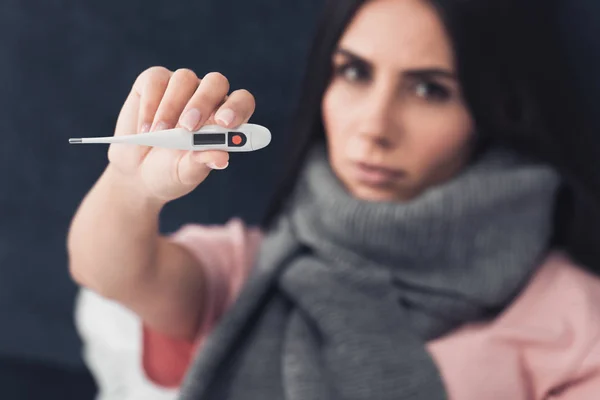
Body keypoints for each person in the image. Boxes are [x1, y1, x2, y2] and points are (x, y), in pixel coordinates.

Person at [67, 0, 600, 398]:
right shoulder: (251, 272)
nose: (374, 126)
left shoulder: (574, 322)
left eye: (428, 89)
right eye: (354, 72)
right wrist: (133, 185)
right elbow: (107, 271)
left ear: (493, 106)